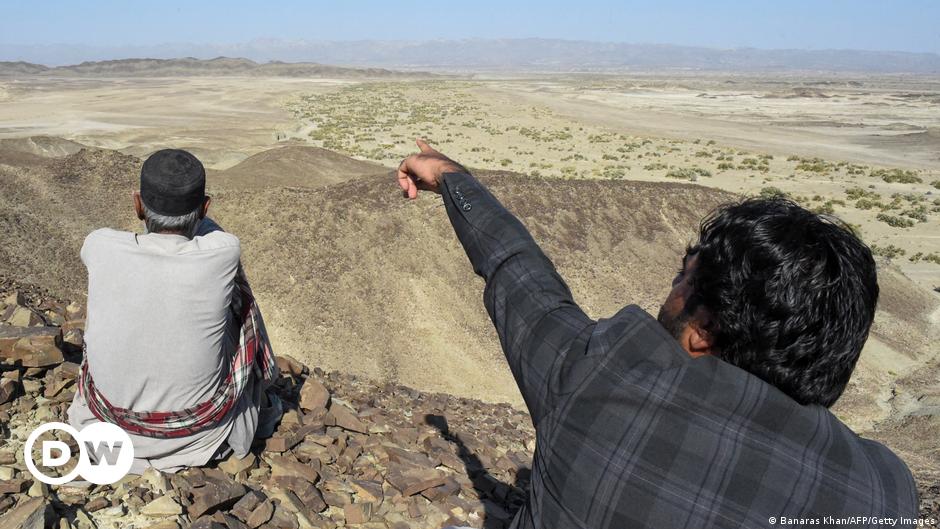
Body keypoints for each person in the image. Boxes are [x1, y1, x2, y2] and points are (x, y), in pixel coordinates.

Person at [396, 140, 919, 528]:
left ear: (705, 331)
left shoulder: (606, 381)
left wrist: (449, 176)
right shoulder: (887, 494)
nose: (668, 292)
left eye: (680, 279)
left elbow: (518, 274)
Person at [68, 149, 281, 474]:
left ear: (137, 204)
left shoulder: (100, 245)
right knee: (235, 301)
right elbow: (212, 231)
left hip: (107, 433)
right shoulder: (223, 252)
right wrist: (196, 218)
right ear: (205, 206)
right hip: (203, 439)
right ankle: (264, 384)